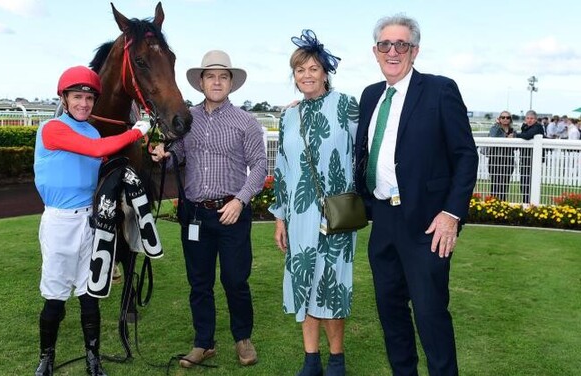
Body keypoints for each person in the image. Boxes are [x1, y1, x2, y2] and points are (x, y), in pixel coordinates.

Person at [354, 15, 478, 375]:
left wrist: (451, 214)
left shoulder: (440, 90)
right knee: (390, 313)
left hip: (428, 224)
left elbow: (465, 156)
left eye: (401, 45)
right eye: (385, 45)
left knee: (430, 315)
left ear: (415, 50)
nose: (393, 52)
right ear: (375, 52)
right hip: (384, 222)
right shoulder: (370, 95)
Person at [150, 50, 267, 368]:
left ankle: (242, 338)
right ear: (201, 82)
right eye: (210, 76)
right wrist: (166, 155)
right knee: (199, 282)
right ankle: (204, 343)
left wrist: (240, 200)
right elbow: (179, 155)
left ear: (231, 83)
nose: (217, 81)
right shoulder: (186, 118)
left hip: (231, 212)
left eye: (223, 76)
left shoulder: (246, 122)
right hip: (195, 215)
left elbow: (259, 166)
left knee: (234, 280)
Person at [33, 65, 150, 376]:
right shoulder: (52, 129)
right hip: (59, 222)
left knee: (89, 293)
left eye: (88, 98)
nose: (83, 103)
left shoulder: (93, 130)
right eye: (77, 97)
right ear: (65, 98)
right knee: (55, 295)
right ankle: (46, 357)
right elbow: (98, 149)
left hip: (91, 221)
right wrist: (138, 129)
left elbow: (107, 162)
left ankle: (93, 359)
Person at [267, 29, 358, 376]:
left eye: (313, 68)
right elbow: (283, 169)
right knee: (303, 280)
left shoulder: (347, 106)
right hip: (298, 216)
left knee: (331, 284)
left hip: (336, 215)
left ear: (325, 72)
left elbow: (367, 150)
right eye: (300, 70)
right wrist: (279, 218)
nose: (306, 75)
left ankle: (336, 359)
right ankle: (311, 359)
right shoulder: (289, 117)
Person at [515, 110, 545, 204]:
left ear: (536, 119)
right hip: (525, 159)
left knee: (531, 183)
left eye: (531, 118)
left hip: (533, 160)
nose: (529, 120)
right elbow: (525, 134)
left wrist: (516, 135)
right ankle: (525, 203)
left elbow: (528, 136)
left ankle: (531, 203)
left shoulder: (538, 127)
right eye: (527, 118)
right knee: (524, 183)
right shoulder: (526, 127)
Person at [487, 112, 515, 201]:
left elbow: (515, 147)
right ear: (499, 119)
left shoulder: (513, 131)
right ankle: (493, 204)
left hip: (508, 160)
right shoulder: (495, 128)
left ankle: (502, 203)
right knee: (495, 184)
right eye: (503, 117)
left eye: (507, 117)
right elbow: (492, 137)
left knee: (505, 184)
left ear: (510, 119)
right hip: (495, 160)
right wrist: (506, 138)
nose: (505, 119)